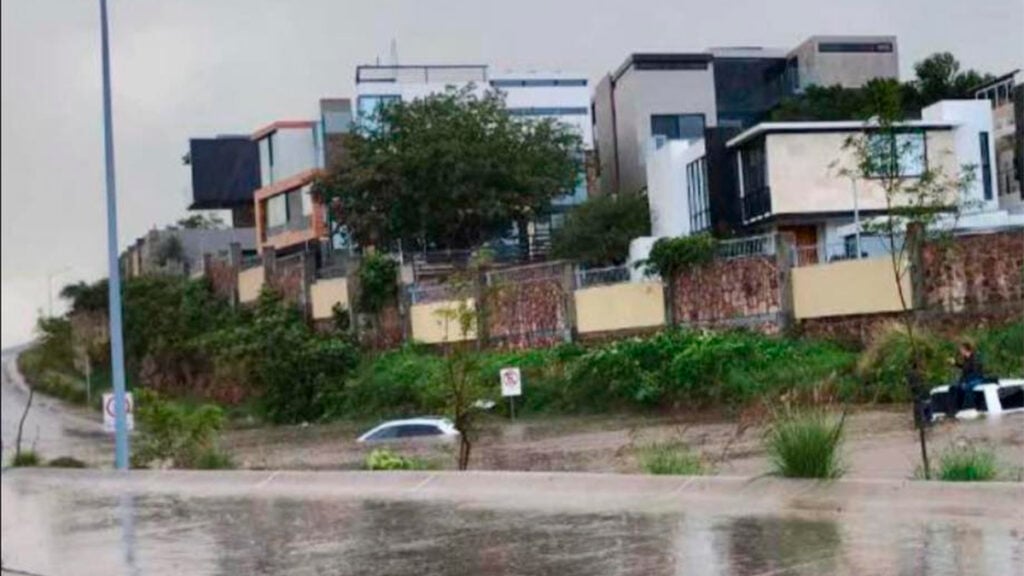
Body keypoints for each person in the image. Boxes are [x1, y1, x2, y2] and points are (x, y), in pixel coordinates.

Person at [954, 340, 985, 410]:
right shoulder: (966, 359)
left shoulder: (975, 358)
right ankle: (958, 407)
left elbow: (975, 372)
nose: (960, 352)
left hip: (977, 379)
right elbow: (965, 368)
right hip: (969, 379)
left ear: (965, 350)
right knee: (957, 387)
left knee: (966, 387)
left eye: (961, 350)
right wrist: (955, 364)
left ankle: (972, 407)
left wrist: (965, 382)